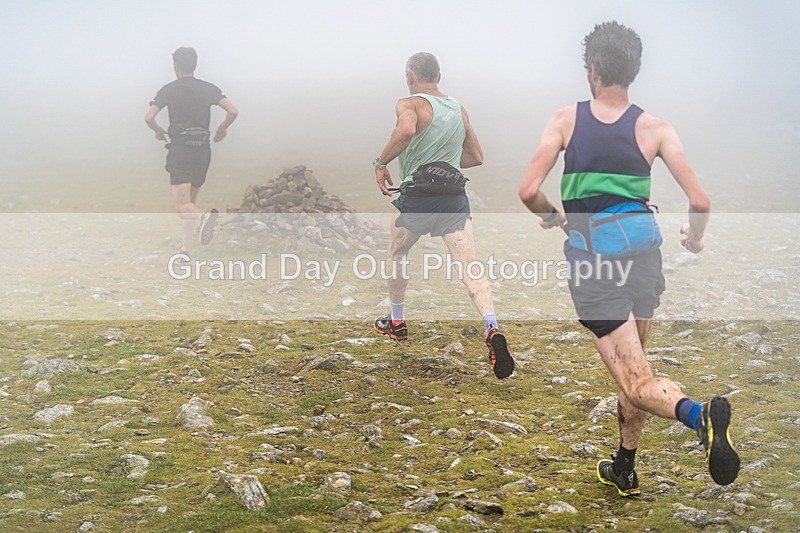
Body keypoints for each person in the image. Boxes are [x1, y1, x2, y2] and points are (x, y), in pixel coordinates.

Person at [519, 21, 739, 494]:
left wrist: (554, 217)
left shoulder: (566, 119)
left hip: (596, 262)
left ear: (593, 69)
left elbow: (528, 191)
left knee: (638, 379)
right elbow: (699, 202)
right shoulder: (656, 128)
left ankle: (698, 416)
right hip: (644, 256)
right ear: (632, 70)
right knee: (636, 367)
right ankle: (625, 465)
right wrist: (696, 240)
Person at [372, 52, 514, 380]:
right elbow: (476, 156)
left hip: (417, 198)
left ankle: (396, 322)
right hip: (453, 198)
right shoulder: (457, 108)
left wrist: (380, 164)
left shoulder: (410, 104)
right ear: (439, 75)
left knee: (397, 254)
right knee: (470, 266)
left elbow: (407, 130)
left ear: (410, 76)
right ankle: (492, 327)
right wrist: (446, 162)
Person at [144, 47, 238, 257]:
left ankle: (204, 217)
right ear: (194, 64)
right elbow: (233, 111)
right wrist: (222, 129)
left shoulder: (168, 90)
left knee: (182, 207)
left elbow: (149, 117)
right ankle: (185, 252)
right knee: (190, 204)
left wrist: (158, 131)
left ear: (175, 67)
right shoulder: (209, 88)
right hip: (203, 151)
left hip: (181, 151)